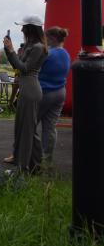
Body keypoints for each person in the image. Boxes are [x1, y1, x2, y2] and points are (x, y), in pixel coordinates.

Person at [3, 15, 48, 174]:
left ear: (31, 29)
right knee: (24, 128)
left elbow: (24, 68)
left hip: (30, 90)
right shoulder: (31, 45)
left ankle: (23, 168)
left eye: (24, 27)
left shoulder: (38, 47)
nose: (22, 29)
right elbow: (17, 65)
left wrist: (11, 50)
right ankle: (35, 165)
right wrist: (8, 50)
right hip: (27, 89)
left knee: (27, 130)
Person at [36, 27, 71, 164]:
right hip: (60, 92)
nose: (45, 40)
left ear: (53, 38)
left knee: (30, 124)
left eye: (46, 37)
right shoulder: (66, 54)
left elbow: (33, 70)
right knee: (50, 128)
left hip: (44, 92)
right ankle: (46, 159)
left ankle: (28, 157)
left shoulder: (48, 53)